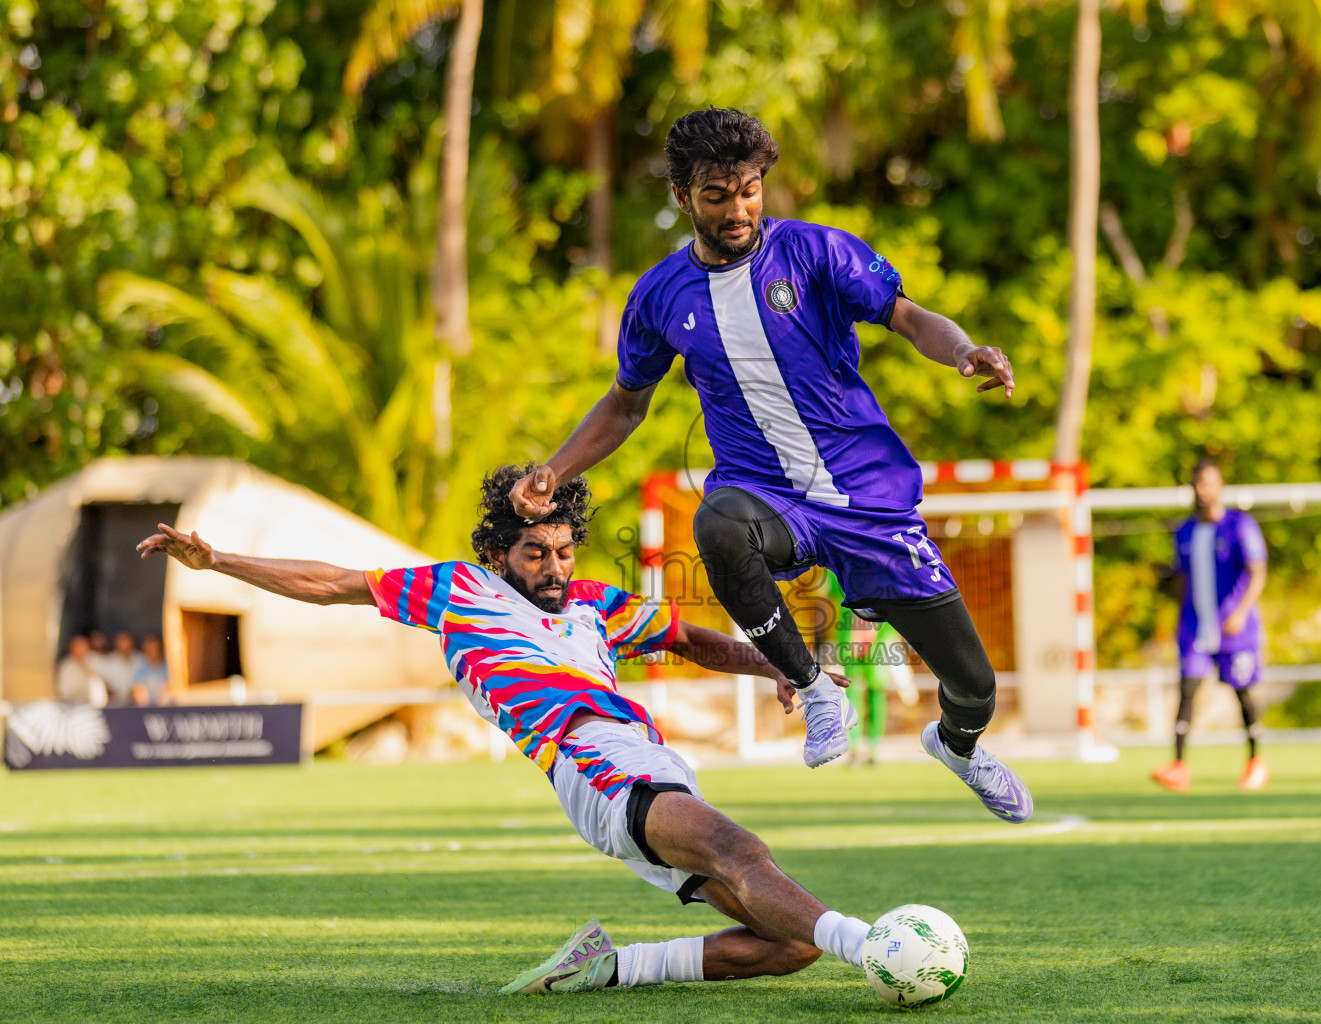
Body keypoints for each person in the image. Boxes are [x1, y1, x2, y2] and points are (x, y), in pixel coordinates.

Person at [137, 466, 902, 998]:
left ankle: (610, 967)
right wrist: (219, 561)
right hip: (591, 762)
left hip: (650, 760)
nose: (554, 566)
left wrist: (779, 666)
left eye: (564, 551)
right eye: (536, 552)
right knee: (742, 851)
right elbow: (333, 583)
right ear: (496, 553)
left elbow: (689, 639)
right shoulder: (457, 590)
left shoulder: (595, 603)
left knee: (790, 942)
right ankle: (875, 948)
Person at [507, 107, 1029, 823]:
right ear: (683, 197)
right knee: (718, 525)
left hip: (869, 501)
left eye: (749, 191)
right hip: (766, 498)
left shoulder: (817, 252)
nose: (737, 210)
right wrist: (554, 472)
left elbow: (910, 317)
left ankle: (959, 748)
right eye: (716, 195)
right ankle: (814, 691)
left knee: (974, 687)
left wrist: (964, 350)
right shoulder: (660, 295)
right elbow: (626, 406)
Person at [1153, 459, 1269, 792]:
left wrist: (1241, 612)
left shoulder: (1239, 525)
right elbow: (1182, 579)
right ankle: (1178, 765)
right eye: (1197, 483)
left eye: (1207, 483)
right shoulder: (1185, 531)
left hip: (1233, 626)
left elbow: (1257, 571)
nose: (1202, 490)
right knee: (1187, 690)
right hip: (1195, 626)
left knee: (1242, 692)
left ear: (1220, 486)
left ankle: (1255, 761)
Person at [825, 574, 916, 766]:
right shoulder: (835, 569)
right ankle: (855, 746)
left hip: (880, 638)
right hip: (848, 636)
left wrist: (873, 631)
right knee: (850, 692)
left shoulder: (885, 567)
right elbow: (833, 600)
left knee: (876, 691)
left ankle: (874, 748)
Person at [56, 634, 109, 707]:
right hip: (73, 706)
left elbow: (104, 683)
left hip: (97, 705)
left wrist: (86, 668)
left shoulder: (97, 661)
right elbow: (64, 691)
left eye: (82, 646)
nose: (80, 650)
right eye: (77, 646)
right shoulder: (66, 667)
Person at [99, 630, 143, 704]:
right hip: (114, 703)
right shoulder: (109, 661)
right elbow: (105, 683)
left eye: (127, 641)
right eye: (122, 641)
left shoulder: (140, 659)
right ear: (116, 643)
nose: (125, 644)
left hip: (136, 702)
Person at [133, 633, 170, 705]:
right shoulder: (140, 671)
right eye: (150, 648)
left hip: (166, 707)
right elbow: (140, 696)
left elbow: (168, 692)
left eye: (155, 648)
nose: (153, 651)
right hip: (146, 708)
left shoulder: (168, 669)